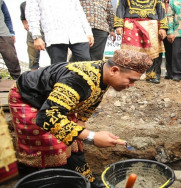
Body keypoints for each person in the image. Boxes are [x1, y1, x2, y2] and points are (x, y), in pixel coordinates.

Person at [9, 49, 152, 187]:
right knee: (52, 145)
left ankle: (86, 181)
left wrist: (81, 123)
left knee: (75, 142)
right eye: (131, 80)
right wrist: (92, 137)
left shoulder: (104, 74)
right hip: (29, 98)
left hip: (57, 103)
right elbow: (46, 117)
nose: (131, 86)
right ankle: (46, 180)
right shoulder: (78, 79)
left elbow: (94, 98)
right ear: (114, 70)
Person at [114, 0, 168, 84]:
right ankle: (129, 76)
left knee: (153, 51)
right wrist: (118, 25)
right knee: (129, 52)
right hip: (131, 23)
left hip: (152, 24)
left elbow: (161, 9)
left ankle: (152, 75)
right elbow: (120, 7)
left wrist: (163, 27)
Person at [25, 0, 94, 64]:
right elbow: (32, 13)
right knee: (58, 68)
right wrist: (36, 36)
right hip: (54, 35)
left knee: (85, 62)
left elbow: (79, 12)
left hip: (77, 33)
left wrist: (88, 32)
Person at [20, 1, 44, 71]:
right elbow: (23, 18)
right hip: (32, 34)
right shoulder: (24, 4)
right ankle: (33, 77)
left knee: (55, 55)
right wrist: (25, 25)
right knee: (33, 59)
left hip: (48, 33)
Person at [0, 0, 21, 79]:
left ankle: (17, 79)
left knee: (10, 56)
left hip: (3, 32)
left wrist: (11, 32)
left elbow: (7, 16)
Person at [163, 0, 173, 80]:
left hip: (173, 30)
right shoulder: (160, 3)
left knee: (174, 52)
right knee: (167, 52)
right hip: (161, 29)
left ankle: (173, 73)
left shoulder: (174, 3)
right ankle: (169, 72)